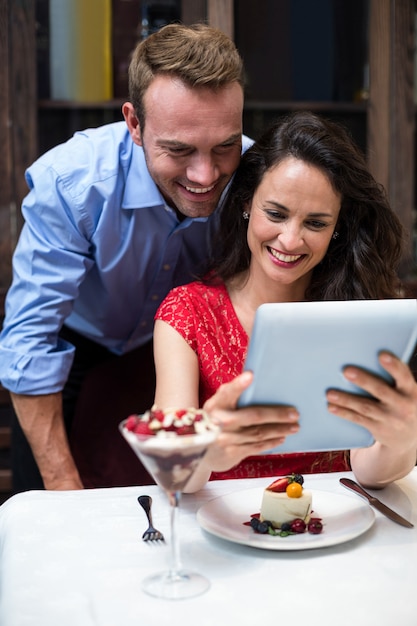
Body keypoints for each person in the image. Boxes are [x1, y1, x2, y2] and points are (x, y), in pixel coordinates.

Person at [0, 23, 254, 492]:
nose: (206, 175)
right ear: (134, 124)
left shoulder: (254, 178)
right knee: (47, 521)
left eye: (225, 146)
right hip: (73, 352)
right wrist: (63, 495)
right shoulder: (72, 182)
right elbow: (31, 340)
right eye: (179, 150)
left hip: (178, 361)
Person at [153, 111, 417, 493]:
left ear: (338, 226)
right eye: (276, 214)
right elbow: (170, 474)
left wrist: (403, 439)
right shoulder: (186, 312)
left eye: (316, 223)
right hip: (224, 529)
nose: (290, 241)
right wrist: (206, 450)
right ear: (246, 203)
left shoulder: (356, 312)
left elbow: (370, 470)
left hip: (331, 522)